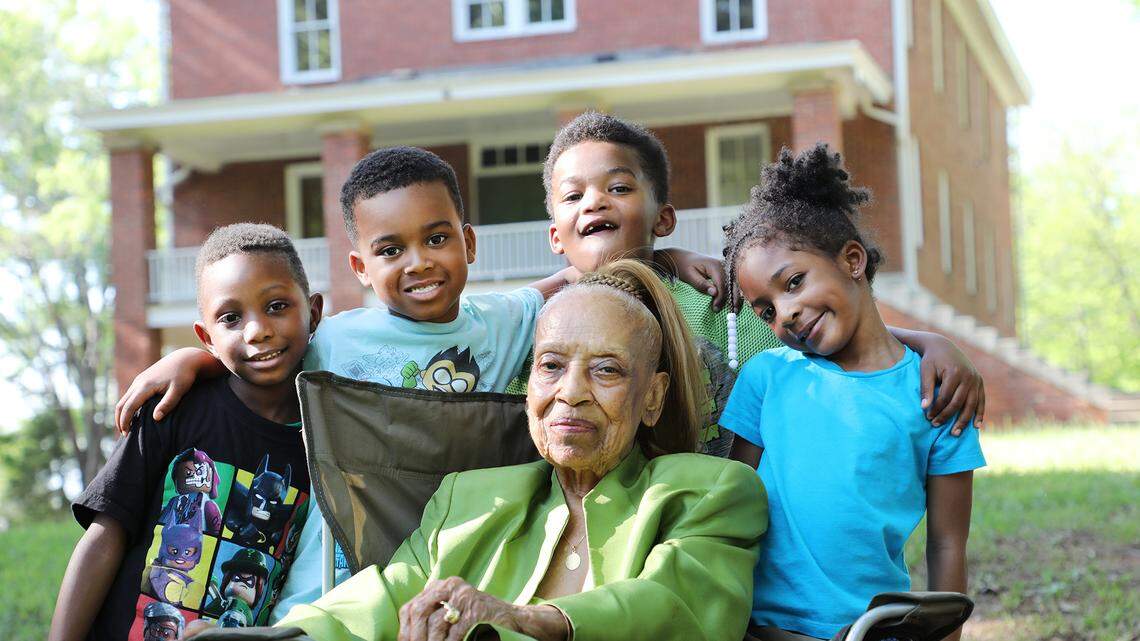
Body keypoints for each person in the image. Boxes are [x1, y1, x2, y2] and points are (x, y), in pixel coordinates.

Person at [111, 146, 727, 617]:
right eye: (391, 250)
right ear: (360, 267)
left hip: (452, 579)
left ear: (468, 242)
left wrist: (664, 258)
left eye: (436, 239)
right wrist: (189, 361)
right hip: (329, 585)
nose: (419, 262)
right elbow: (257, 349)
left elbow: (574, 281)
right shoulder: (333, 340)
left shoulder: (508, 323)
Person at [269, 259, 767, 641]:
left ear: (653, 398)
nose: (570, 392)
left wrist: (522, 618)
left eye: (607, 370)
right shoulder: (466, 499)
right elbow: (382, 596)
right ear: (528, 385)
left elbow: (676, 604)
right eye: (551, 365)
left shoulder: (710, 489)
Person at [541, 112, 987, 437]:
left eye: (618, 187)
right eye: (573, 195)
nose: (593, 202)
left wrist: (931, 342)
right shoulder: (540, 325)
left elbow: (823, 331)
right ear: (556, 237)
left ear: (664, 218)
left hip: (718, 527)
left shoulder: (715, 299)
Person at [720, 145, 986, 641]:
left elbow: (948, 543)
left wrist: (947, 636)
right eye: (766, 311)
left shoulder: (938, 392)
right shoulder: (766, 377)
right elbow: (729, 507)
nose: (787, 314)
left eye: (794, 283)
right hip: (758, 627)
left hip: (869, 628)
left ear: (852, 259)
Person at [49, 224, 323, 640]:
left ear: (314, 312)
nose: (257, 331)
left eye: (277, 306)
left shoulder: (324, 441)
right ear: (206, 336)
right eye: (231, 318)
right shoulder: (172, 408)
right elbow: (104, 537)